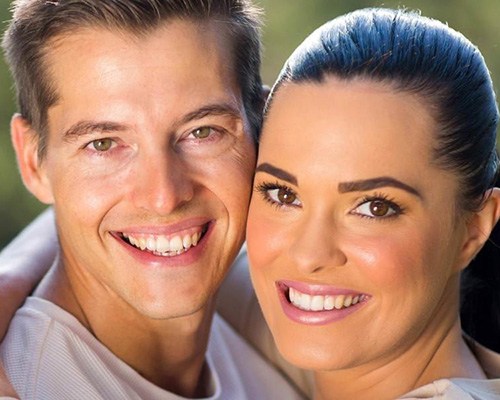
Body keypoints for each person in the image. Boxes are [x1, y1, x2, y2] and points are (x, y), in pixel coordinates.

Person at [0, 0, 307, 399]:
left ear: (263, 128)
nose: (164, 197)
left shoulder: (280, 344)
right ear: (33, 161)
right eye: (104, 143)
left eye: (202, 132)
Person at [246, 7, 500, 399]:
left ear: (472, 229)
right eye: (284, 195)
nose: (309, 254)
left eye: (374, 208)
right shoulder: (248, 330)